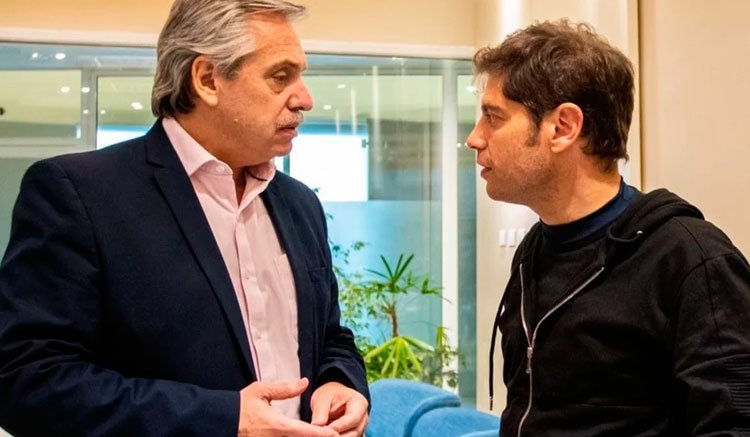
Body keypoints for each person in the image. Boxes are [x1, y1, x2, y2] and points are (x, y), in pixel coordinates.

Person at [0, 1, 370, 436]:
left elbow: (331, 338)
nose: (305, 98)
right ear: (207, 79)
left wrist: (340, 382)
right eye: (280, 76)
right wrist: (225, 419)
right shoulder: (80, 194)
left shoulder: (300, 204)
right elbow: (28, 381)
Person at [467, 19, 750, 436]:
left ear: (563, 127)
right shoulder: (534, 251)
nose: (475, 138)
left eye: (493, 117)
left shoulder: (690, 260)